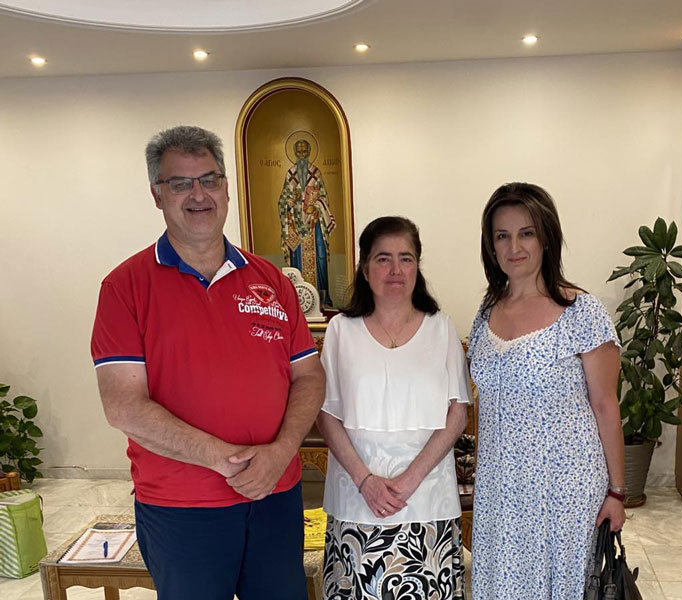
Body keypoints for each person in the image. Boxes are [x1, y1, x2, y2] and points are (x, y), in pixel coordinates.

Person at [90, 125, 325, 600]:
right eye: (181, 183)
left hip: (274, 496)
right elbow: (123, 407)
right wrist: (228, 462)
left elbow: (309, 376)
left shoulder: (271, 281)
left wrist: (280, 453)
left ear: (226, 189)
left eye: (210, 179)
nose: (198, 194)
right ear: (157, 194)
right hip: (183, 507)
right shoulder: (125, 287)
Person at [467, 183, 625, 599]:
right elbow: (486, 405)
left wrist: (617, 492)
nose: (514, 247)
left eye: (527, 233)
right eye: (502, 235)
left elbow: (606, 405)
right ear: (491, 246)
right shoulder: (486, 312)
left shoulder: (581, 312)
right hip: (500, 487)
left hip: (564, 488)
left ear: (546, 239)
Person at [316, 216, 470, 600]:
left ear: (418, 266)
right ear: (365, 267)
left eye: (406, 258)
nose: (396, 270)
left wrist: (410, 479)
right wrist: (365, 481)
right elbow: (326, 413)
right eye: (383, 258)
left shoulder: (441, 328)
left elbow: (457, 413)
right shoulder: (340, 331)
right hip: (357, 501)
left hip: (427, 499)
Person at [278, 138, 336, 307]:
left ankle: (322, 296)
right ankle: (297, 298)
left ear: (309, 152)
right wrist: (291, 202)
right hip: (296, 225)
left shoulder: (315, 173)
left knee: (320, 255)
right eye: (299, 152)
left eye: (305, 152)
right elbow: (282, 201)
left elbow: (324, 198)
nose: (302, 156)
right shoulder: (290, 174)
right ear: (295, 154)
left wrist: (316, 206)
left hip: (314, 223)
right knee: (297, 257)